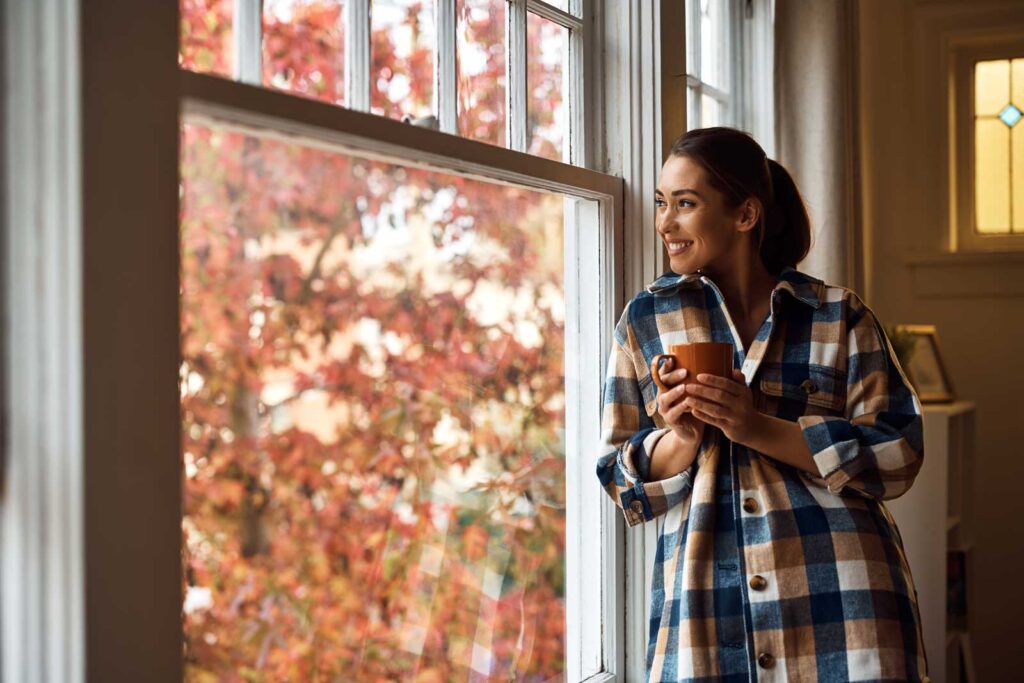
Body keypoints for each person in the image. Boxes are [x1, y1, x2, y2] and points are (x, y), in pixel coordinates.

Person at [596, 127, 928, 682]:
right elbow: (617, 474)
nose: (664, 223)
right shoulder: (646, 319)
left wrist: (753, 426)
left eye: (685, 203)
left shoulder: (836, 314)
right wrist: (680, 438)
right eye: (661, 203)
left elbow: (899, 451)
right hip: (708, 608)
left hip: (845, 598)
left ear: (745, 214)